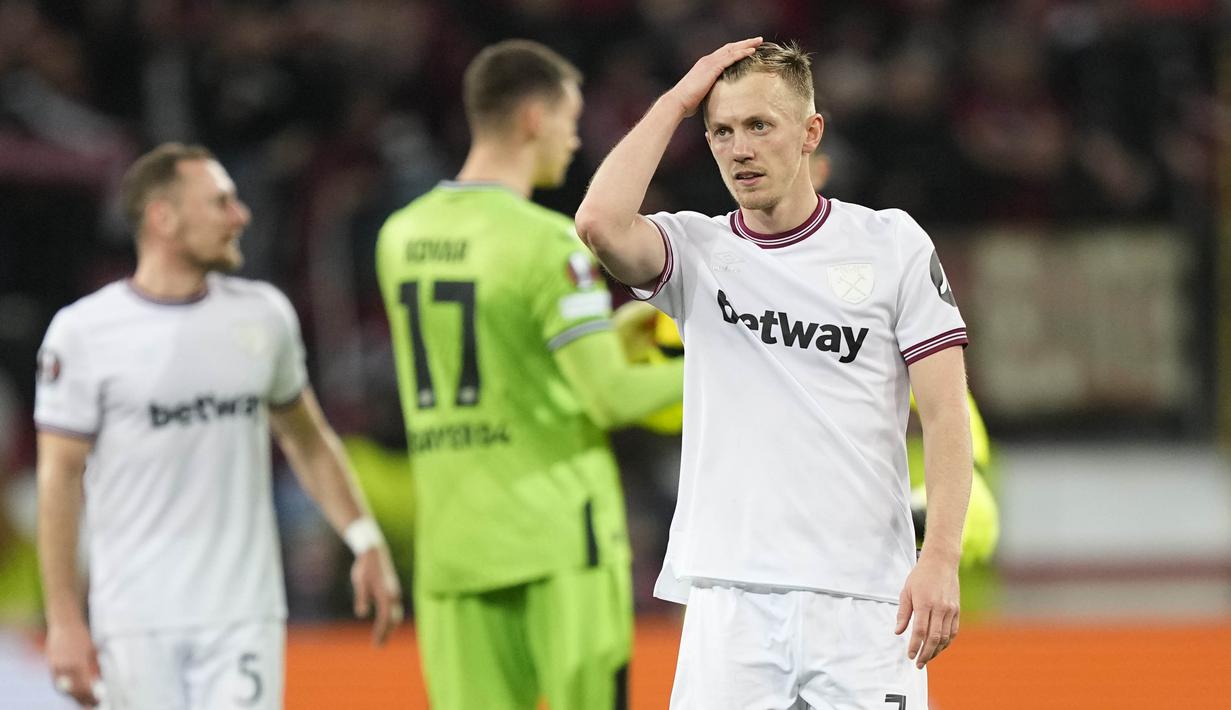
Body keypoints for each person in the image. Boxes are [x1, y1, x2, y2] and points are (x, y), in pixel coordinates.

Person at [576, 39, 973, 708]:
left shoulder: (890, 244)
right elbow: (597, 223)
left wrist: (939, 559)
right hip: (728, 601)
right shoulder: (696, 252)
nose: (739, 148)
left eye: (759, 125)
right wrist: (676, 102)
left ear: (810, 132)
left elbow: (944, 413)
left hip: (866, 601)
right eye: (721, 132)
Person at [35, 143, 402, 709]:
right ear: (163, 218)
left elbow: (307, 438)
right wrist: (63, 618)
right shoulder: (83, 333)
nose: (242, 216)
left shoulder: (263, 316)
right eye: (221, 203)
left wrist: (364, 538)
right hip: (134, 618)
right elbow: (59, 478)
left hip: (243, 613)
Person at [375, 40, 684, 710]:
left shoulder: (399, 236)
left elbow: (490, 351)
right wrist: (728, 367)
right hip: (558, 537)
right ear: (532, 120)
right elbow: (608, 396)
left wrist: (607, 333)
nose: (575, 141)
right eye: (570, 120)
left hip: (456, 543)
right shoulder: (546, 242)